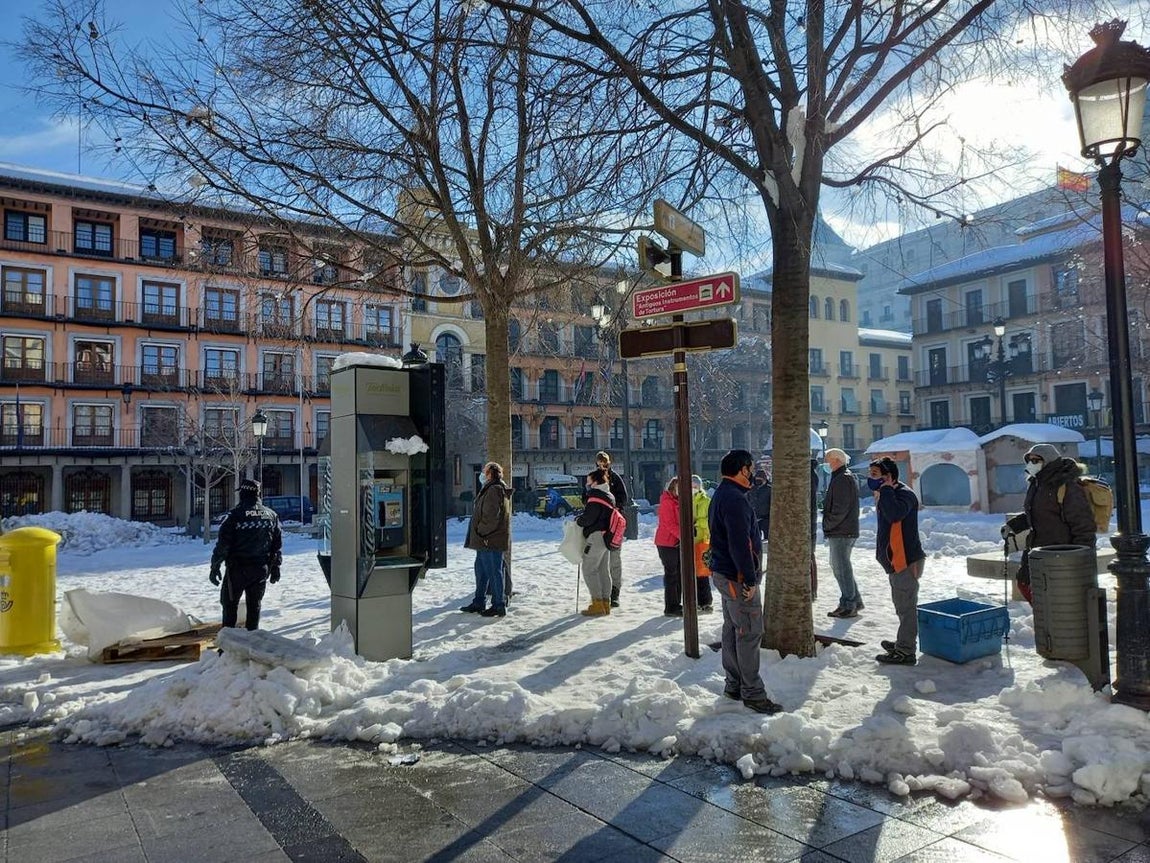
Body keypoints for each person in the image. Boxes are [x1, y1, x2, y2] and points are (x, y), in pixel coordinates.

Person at [708, 450, 782, 714]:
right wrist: (750, 578)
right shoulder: (735, 499)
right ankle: (752, 692)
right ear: (742, 470)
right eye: (751, 467)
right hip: (737, 577)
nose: (754, 472)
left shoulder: (722, 494)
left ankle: (734, 684)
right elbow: (740, 542)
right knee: (749, 632)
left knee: (733, 629)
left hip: (724, 574)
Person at [1003, 444, 1096, 604]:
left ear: (1049, 461)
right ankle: (1045, 623)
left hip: (1061, 554)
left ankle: (1051, 626)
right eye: (1029, 460)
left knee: (1057, 601)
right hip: (1037, 549)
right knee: (1025, 584)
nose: (1031, 463)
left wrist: (1080, 560)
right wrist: (1014, 525)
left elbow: (1083, 525)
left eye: (1036, 460)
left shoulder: (1067, 486)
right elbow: (1037, 513)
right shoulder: (1036, 483)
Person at [869, 458, 925, 666]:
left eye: (875, 474)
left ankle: (905, 651)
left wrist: (886, 491)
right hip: (895, 559)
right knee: (901, 604)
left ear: (889, 476)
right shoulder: (890, 494)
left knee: (907, 606)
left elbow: (894, 515)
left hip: (906, 559)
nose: (870, 478)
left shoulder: (903, 494)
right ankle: (904, 641)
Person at [209, 478, 283, 631]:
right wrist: (276, 567)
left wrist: (215, 566)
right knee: (254, 606)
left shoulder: (234, 516)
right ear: (258, 494)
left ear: (242, 493)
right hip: (261, 569)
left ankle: (227, 649)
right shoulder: (271, 515)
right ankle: (252, 642)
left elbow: (223, 545)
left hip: (237, 570)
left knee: (229, 606)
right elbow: (276, 545)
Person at [461, 461, 512, 618]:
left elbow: (491, 516)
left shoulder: (494, 490)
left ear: (491, 473)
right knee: (481, 571)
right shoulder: (491, 488)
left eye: (485, 471)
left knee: (493, 572)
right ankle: (479, 601)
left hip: (489, 540)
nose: (483, 473)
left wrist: (481, 532)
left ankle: (498, 605)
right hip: (484, 540)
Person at [822, 448, 862, 618]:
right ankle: (854, 601)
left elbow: (840, 509)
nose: (826, 463)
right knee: (841, 566)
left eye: (828, 460)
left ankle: (849, 604)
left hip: (841, 531)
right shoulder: (842, 477)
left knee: (841, 568)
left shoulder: (842, 479)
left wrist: (828, 524)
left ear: (836, 460)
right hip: (842, 530)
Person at [576, 468, 616, 616]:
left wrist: (579, 520)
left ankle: (597, 603)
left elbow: (588, 519)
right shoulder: (609, 495)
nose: (587, 484)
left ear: (595, 482)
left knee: (589, 569)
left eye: (588, 481)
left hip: (596, 536)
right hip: (607, 536)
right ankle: (606, 602)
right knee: (603, 570)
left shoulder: (595, 497)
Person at [593, 451, 629, 608]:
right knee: (600, 561)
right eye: (600, 463)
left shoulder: (615, 478)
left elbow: (624, 498)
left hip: (614, 525)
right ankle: (603, 593)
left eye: (605, 463)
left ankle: (615, 592)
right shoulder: (593, 478)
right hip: (598, 525)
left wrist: (613, 505)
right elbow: (585, 496)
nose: (602, 466)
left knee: (614, 559)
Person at [655, 476, 683, 616]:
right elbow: (669, 524)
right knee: (672, 574)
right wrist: (684, 536)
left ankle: (677, 603)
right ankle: (671, 606)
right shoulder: (667, 502)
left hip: (675, 542)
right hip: (667, 543)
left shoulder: (677, 501)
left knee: (679, 574)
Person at [691, 475, 714, 612]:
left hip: (701, 540)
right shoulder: (685, 500)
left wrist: (696, 524)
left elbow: (708, 520)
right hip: (689, 541)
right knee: (691, 574)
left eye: (695, 486)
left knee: (702, 572)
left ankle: (706, 602)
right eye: (691, 486)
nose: (693, 488)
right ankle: (694, 601)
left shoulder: (706, 501)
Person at [747, 469, 772, 542]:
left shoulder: (769, 490)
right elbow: (748, 501)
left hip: (766, 519)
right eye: (756, 480)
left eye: (759, 480)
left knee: (767, 539)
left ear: (764, 479)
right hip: (754, 518)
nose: (757, 481)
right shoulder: (751, 489)